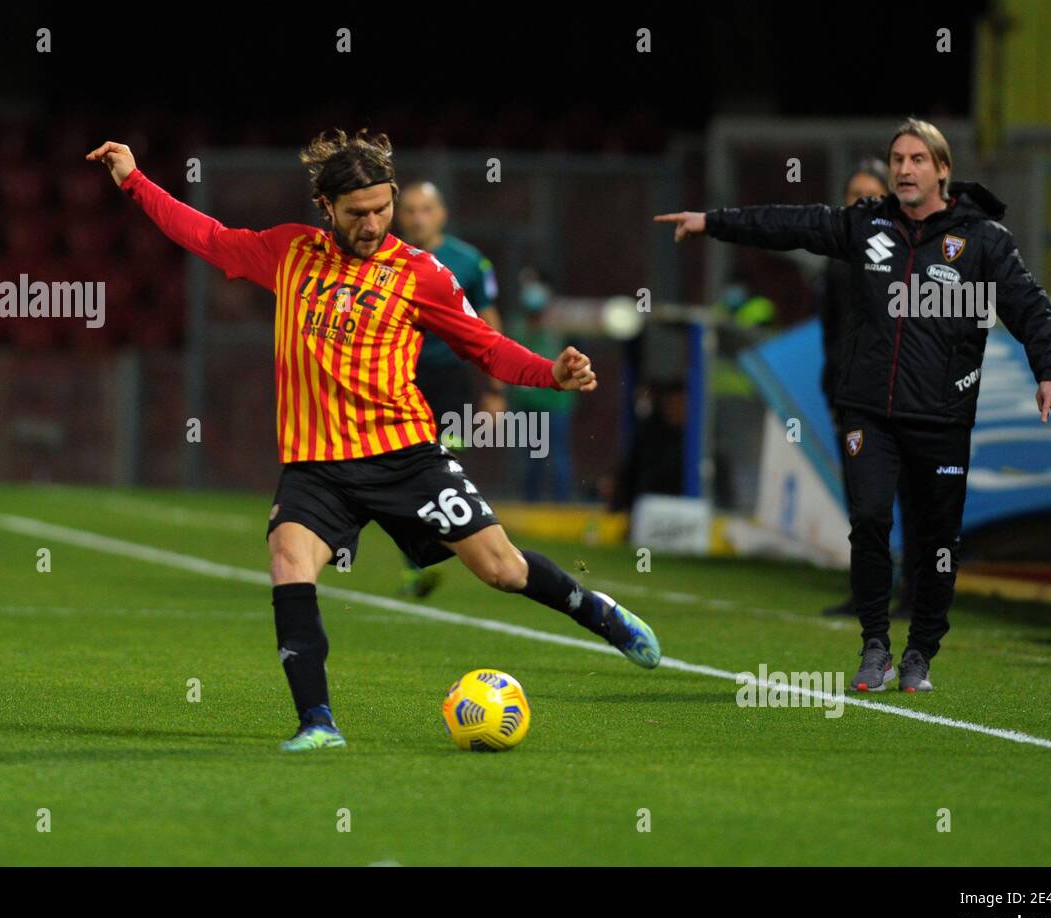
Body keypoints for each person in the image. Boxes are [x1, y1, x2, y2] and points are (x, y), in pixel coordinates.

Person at [88, 129, 661, 751]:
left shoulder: (422, 275)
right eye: (358, 212)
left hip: (405, 456)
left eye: (383, 208)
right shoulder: (289, 253)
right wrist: (134, 180)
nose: (373, 223)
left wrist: (548, 372)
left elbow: (485, 345)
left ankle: (600, 614)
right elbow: (205, 236)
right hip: (317, 466)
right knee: (288, 560)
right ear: (326, 208)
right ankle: (317, 722)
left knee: (502, 570)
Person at [656, 117, 1051, 693]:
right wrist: (714, 223)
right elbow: (793, 223)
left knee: (938, 540)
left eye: (916, 160)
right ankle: (875, 643)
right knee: (871, 518)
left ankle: (921, 651)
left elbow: (1031, 308)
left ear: (942, 170)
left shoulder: (983, 242)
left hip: (942, 417)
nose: (904, 168)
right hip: (868, 410)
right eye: (897, 159)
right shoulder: (866, 224)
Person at [391, 181, 503, 597]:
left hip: (450, 382)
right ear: (400, 216)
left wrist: (496, 390)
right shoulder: (385, 257)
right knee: (407, 471)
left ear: (441, 214)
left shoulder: (470, 263)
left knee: (440, 464)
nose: (417, 217)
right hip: (398, 380)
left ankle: (440, 552)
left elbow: (487, 323)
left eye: (426, 209)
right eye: (411, 210)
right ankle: (416, 565)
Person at [816, 158, 916, 620]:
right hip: (851, 394)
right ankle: (868, 592)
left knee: (915, 495)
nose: (858, 203)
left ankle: (917, 592)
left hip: (906, 394)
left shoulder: (911, 253)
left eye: (868, 195)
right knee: (864, 500)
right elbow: (832, 332)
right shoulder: (838, 260)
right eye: (852, 195)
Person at [507, 267, 576, 502]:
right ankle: (530, 501)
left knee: (557, 455)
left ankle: (562, 504)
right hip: (525, 402)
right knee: (530, 458)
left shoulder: (562, 324)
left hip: (555, 401)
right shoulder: (517, 323)